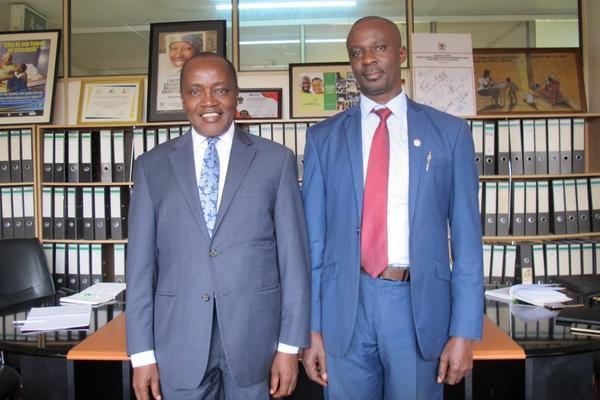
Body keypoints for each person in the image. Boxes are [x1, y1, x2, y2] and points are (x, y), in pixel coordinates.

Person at [301, 16, 483, 400]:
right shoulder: (322, 138)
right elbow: (313, 243)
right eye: (357, 52)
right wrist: (311, 328)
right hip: (344, 309)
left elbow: (467, 240)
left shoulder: (449, 134)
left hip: (418, 308)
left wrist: (464, 331)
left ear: (400, 54)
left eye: (378, 47)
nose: (368, 59)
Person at [126, 52, 311, 400]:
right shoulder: (152, 168)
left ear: (236, 95)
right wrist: (141, 353)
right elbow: (139, 268)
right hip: (177, 342)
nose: (208, 102)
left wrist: (290, 346)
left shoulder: (276, 161)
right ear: (182, 98)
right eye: (195, 91)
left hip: (256, 341)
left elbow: (293, 261)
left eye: (220, 90)